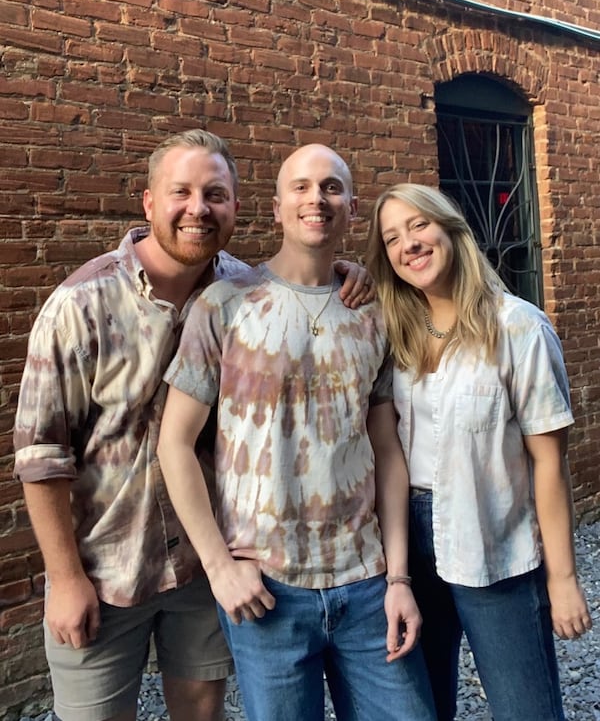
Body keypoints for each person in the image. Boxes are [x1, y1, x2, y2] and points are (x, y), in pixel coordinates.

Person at [12, 129, 374, 721]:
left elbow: (302, 285)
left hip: (206, 569)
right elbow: (42, 454)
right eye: (181, 193)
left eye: (215, 194)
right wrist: (65, 578)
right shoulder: (81, 304)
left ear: (236, 206)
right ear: (150, 202)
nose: (198, 209)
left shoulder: (241, 290)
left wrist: (343, 272)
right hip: (105, 566)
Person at [156, 144, 437, 721]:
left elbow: (387, 451)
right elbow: (175, 444)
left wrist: (400, 578)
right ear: (277, 207)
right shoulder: (225, 306)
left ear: (352, 208)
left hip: (366, 584)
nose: (317, 198)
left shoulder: (373, 312)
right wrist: (219, 568)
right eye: (302, 187)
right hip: (267, 592)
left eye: (332, 187)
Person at [366, 183, 593, 721]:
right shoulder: (396, 332)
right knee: (425, 706)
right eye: (392, 238)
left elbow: (549, 462)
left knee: (526, 709)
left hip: (492, 536)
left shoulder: (519, 328)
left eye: (419, 225)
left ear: (451, 228)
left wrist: (562, 579)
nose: (409, 245)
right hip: (409, 540)